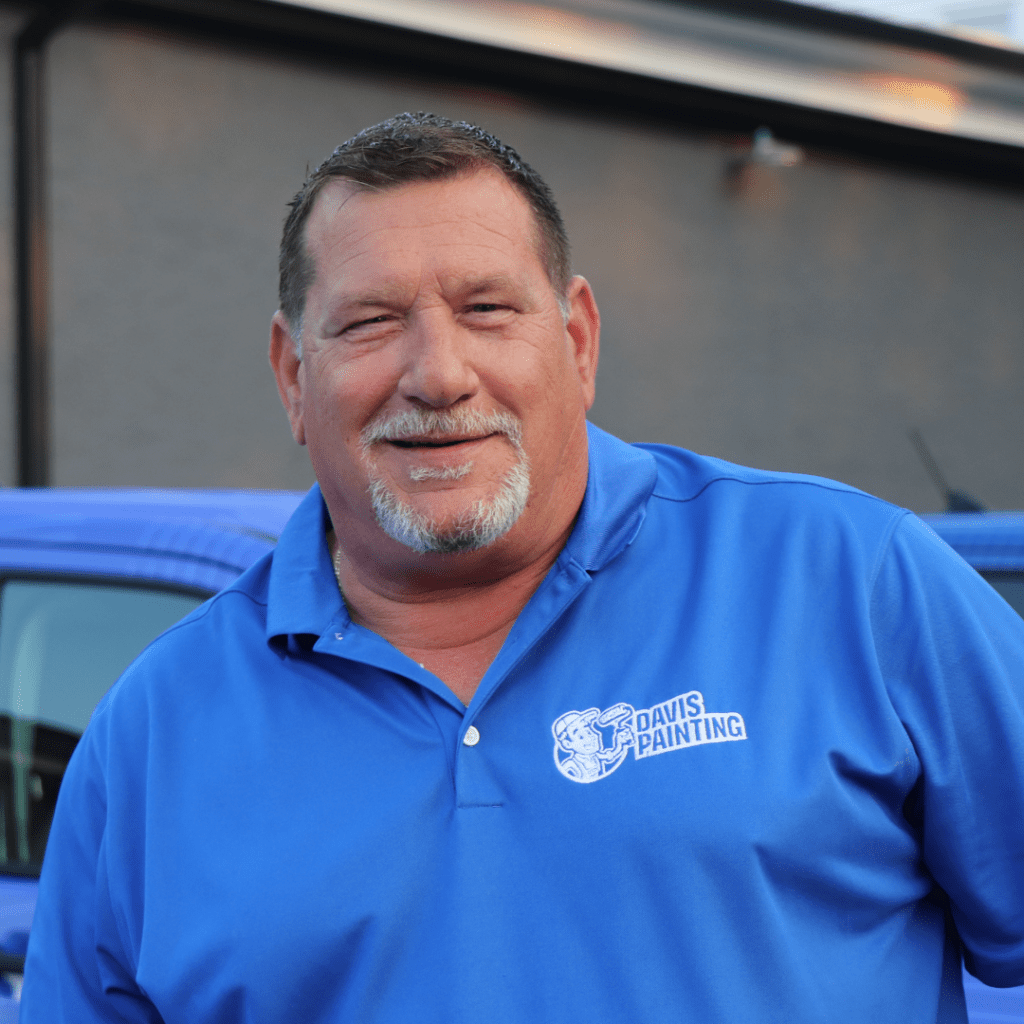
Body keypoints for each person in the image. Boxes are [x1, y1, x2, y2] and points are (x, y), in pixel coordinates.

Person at [21, 113, 1024, 1023]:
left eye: (487, 308)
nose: (437, 374)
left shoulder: (847, 583)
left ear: (578, 341)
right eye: (370, 321)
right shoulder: (155, 731)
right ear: (293, 375)